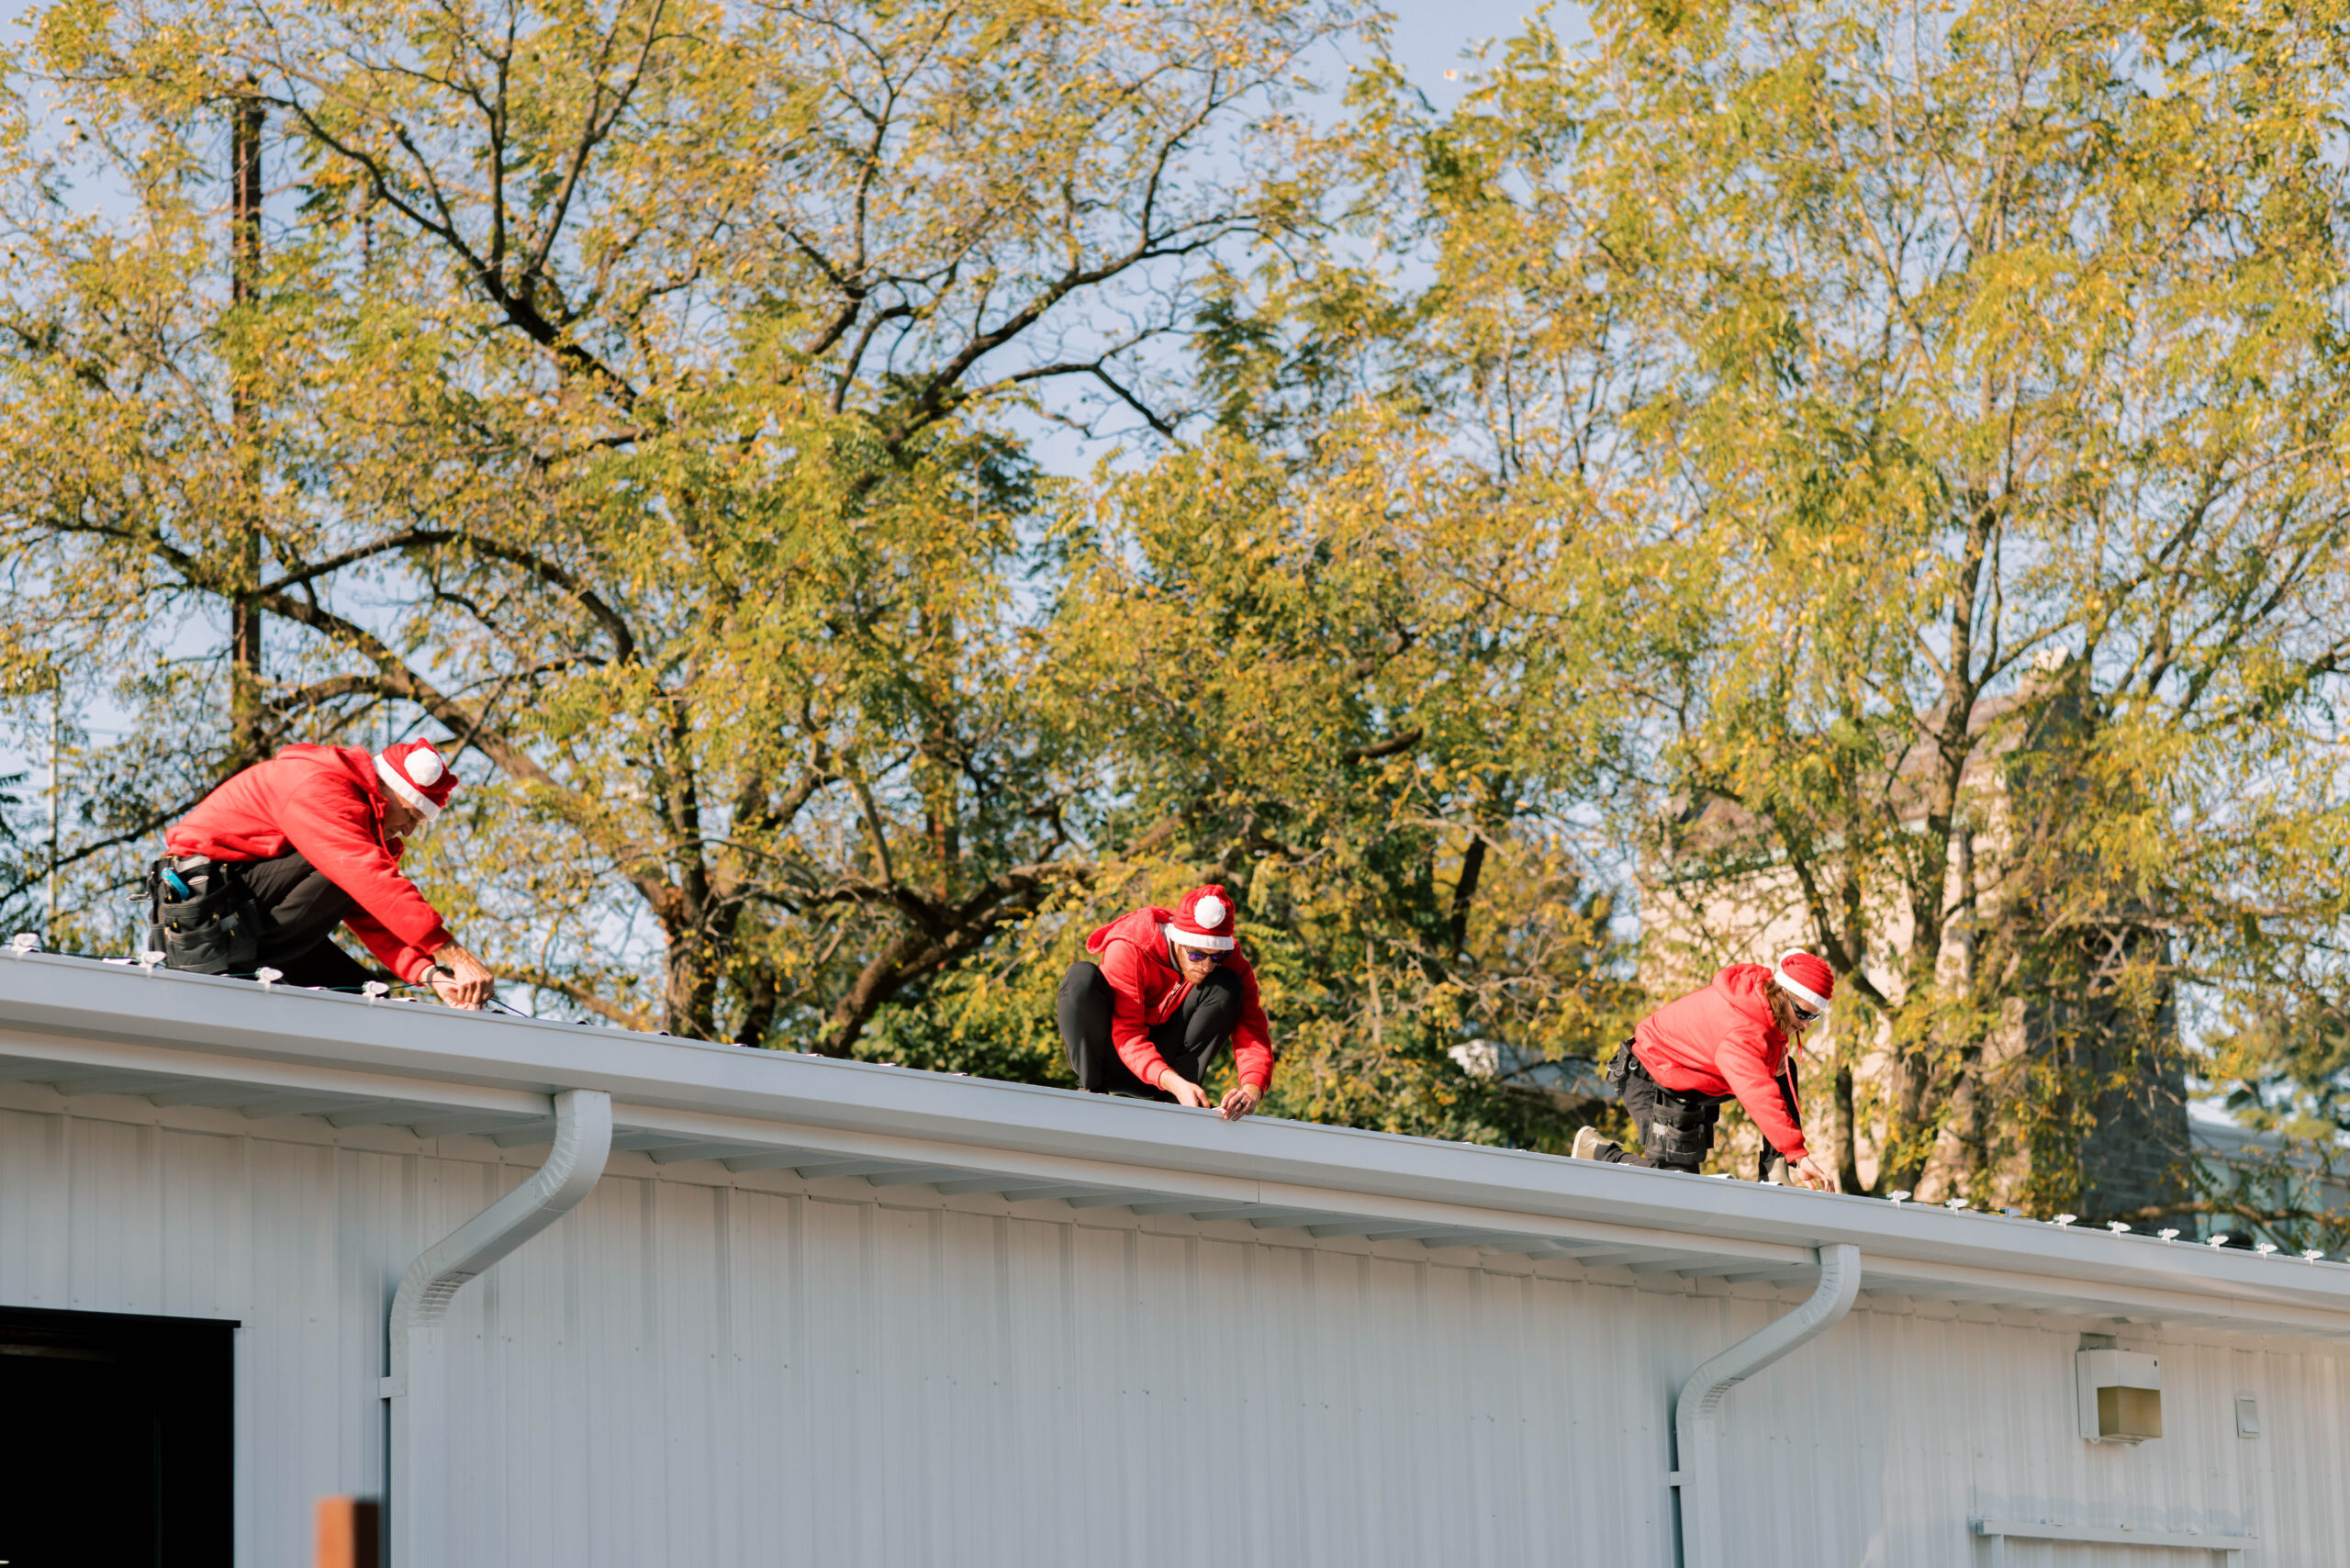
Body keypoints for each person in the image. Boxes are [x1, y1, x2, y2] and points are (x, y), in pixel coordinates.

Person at [150, 738, 496, 1008]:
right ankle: (251, 968)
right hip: (207, 918)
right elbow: (366, 877)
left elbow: (371, 909)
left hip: (245, 920)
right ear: (385, 788)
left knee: (365, 1000)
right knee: (358, 870)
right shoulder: (320, 788)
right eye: (409, 814)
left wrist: (429, 972)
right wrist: (455, 954)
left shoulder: (352, 832)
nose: (408, 830)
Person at [1572, 949, 1841, 1192]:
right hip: (1650, 1075)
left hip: (1688, 1085)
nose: (1806, 1025)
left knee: (1784, 1069)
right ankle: (1598, 1151)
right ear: (1782, 993)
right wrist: (1799, 1154)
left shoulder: (1769, 1010)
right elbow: (1759, 1093)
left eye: (1814, 1017)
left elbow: (1775, 1080)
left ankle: (1775, 1168)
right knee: (1674, 1186)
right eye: (1803, 1014)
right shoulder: (1741, 1031)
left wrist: (1788, 1154)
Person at [1057, 884, 1274, 1121]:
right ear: (1177, 941)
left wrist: (1252, 1090)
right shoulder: (1129, 946)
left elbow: (1251, 1030)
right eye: (1196, 955)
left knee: (1227, 984)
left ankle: (1179, 1104)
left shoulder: (1230, 961)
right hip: (1112, 1059)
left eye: (1217, 957)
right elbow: (1127, 1033)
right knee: (1080, 977)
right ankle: (1091, 1091)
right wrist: (1173, 1082)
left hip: (1172, 1074)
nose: (1206, 966)